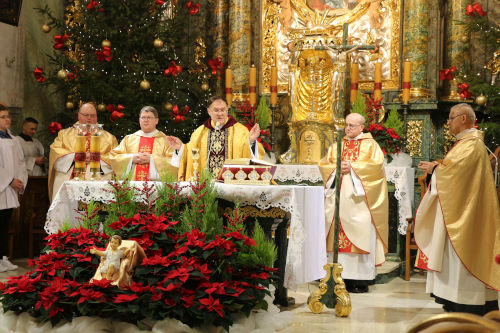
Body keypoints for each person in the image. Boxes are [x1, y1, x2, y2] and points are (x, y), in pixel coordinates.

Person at [415, 103, 500, 314]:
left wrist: (436, 168)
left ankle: (466, 301)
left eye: (451, 118)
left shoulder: (472, 144)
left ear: (463, 119)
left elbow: (456, 174)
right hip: (459, 208)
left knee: (461, 255)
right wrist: (439, 167)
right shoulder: (465, 143)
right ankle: (452, 298)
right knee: (451, 256)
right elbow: (454, 169)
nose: (448, 123)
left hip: (466, 214)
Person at [319, 113, 388, 293]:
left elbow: (376, 167)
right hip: (338, 199)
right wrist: (335, 168)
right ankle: (337, 276)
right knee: (336, 234)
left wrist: (354, 168)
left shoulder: (371, 146)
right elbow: (324, 164)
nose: (347, 128)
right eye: (346, 125)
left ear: (361, 127)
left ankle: (359, 280)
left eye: (351, 125)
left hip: (359, 202)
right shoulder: (336, 146)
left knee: (361, 231)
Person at [166, 96, 264, 180]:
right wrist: (181, 148)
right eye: (216, 110)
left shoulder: (240, 130)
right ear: (209, 111)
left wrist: (251, 141)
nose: (220, 114)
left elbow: (250, 157)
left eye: (223, 110)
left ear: (227, 110)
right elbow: (192, 154)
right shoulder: (200, 132)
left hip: (231, 184)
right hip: (206, 186)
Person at [48, 103, 118, 200]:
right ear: (79, 115)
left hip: (97, 181)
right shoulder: (64, 135)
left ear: (97, 117)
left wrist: (96, 158)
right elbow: (55, 151)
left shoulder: (109, 138)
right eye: (85, 115)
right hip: (70, 180)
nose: (89, 118)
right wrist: (75, 156)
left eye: (92, 115)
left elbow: (116, 159)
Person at [109, 106, 178, 181]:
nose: (146, 120)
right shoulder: (129, 139)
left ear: (156, 120)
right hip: (131, 188)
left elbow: (175, 163)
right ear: (139, 120)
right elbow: (114, 157)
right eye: (143, 117)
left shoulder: (166, 141)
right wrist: (131, 158)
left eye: (149, 117)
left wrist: (152, 159)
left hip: (156, 188)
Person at [0, 103, 27, 272]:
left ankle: (3, 257)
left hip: (10, 189)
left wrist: (20, 181)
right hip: (3, 186)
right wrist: (9, 180)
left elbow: (21, 163)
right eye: (3, 117)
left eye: (8, 116)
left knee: (4, 223)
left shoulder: (14, 140)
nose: (7, 119)